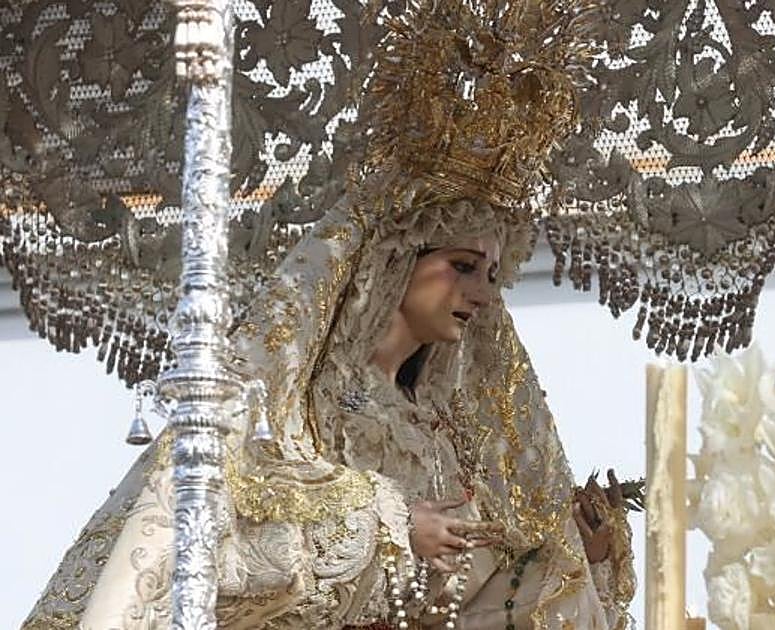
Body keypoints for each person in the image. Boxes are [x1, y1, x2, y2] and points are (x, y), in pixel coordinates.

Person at [22, 0, 635, 628]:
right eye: (462, 266)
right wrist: (387, 531)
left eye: (494, 275)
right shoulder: (289, 408)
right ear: (393, 263)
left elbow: (466, 605)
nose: (483, 294)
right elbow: (217, 556)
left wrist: (572, 561)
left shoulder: (443, 432)